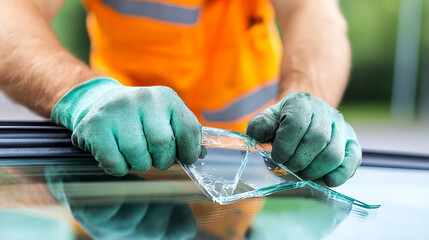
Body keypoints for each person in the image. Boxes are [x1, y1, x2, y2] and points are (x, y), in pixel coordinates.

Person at [0, 0, 360, 187]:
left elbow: (315, 14)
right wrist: (84, 94)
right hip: (118, 175)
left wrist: (309, 99)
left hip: (239, 188)